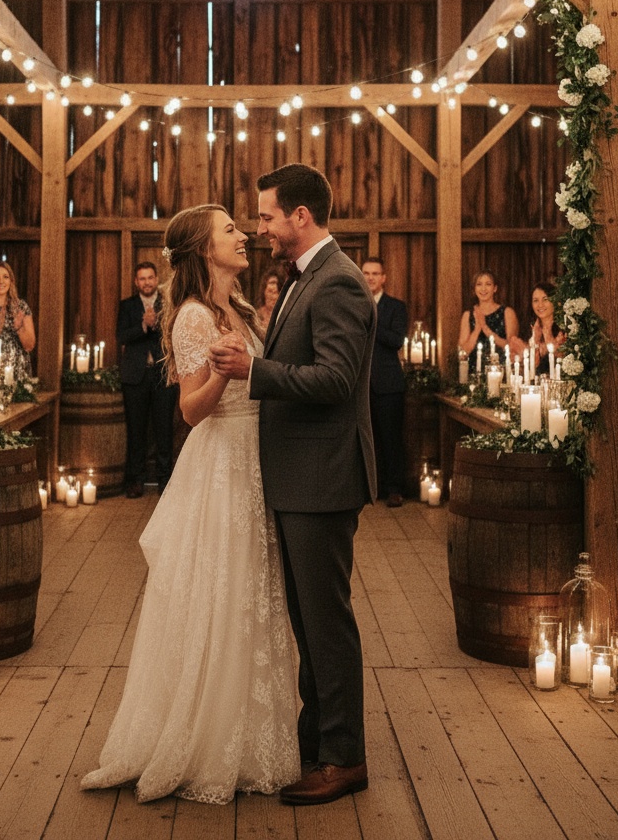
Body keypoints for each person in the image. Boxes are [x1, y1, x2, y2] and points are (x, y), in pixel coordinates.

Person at [80, 205, 300, 804]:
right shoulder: (194, 316)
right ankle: (198, 739)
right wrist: (228, 374)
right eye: (230, 229)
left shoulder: (246, 308)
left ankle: (254, 734)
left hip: (257, 460)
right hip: (222, 459)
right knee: (219, 593)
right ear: (205, 248)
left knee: (253, 594)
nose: (243, 235)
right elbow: (190, 410)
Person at [210, 163, 376, 806]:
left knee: (326, 624)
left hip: (322, 479)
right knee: (309, 623)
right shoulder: (309, 279)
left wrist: (258, 371)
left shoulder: (337, 283)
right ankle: (316, 744)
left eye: (267, 216)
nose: (260, 229)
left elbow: (334, 379)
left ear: (300, 216)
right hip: (300, 478)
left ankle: (343, 758)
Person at [116, 261, 179, 497]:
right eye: (142, 279)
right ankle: (135, 480)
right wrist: (143, 326)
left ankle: (165, 481)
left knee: (164, 430)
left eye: (150, 278)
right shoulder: (127, 306)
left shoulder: (168, 304)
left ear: (156, 279)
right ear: (136, 282)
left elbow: (173, 334)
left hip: (162, 375)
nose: (147, 282)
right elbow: (121, 335)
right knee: (136, 431)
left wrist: (156, 325)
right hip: (135, 376)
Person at [361, 256, 407, 507]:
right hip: (361, 383)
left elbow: (396, 340)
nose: (370, 278)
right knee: (368, 440)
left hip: (388, 383)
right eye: (366, 273)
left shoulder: (396, 307)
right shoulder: (355, 304)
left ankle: (395, 489)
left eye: (375, 274)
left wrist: (372, 319)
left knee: (391, 438)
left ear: (384, 277)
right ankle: (370, 488)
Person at [458, 269, 519, 358]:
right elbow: (462, 353)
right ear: (474, 289)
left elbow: (512, 347)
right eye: (479, 284)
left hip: (501, 368)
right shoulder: (468, 315)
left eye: (488, 284)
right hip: (473, 369)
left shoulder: (507, 312)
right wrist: (477, 329)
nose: (483, 288)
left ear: (495, 288)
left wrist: (486, 329)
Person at [519, 281, 565, 376]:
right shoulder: (528, 328)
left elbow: (564, 363)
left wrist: (547, 332)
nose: (540, 305)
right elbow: (520, 370)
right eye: (536, 300)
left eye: (545, 299)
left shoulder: (564, 328)